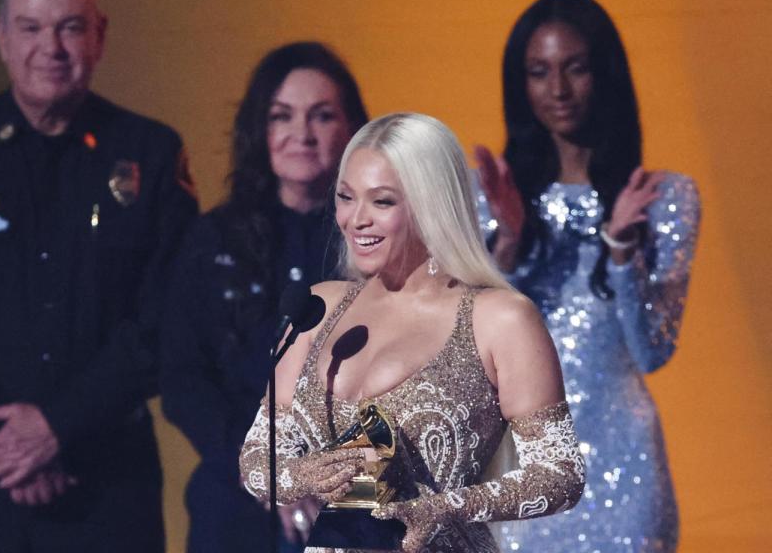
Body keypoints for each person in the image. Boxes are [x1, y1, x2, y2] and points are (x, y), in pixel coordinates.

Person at [0, 0, 198, 551]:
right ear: (1, 38)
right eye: (30, 28)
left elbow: (168, 322)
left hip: (105, 486)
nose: (50, 48)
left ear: (99, 36)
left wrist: (58, 426)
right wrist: (16, 441)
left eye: (69, 28)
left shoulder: (149, 155)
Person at [239, 113, 586, 553]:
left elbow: (560, 473)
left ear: (432, 204)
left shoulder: (500, 319)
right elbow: (257, 459)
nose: (355, 219)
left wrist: (445, 507)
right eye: (346, 197)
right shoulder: (317, 309)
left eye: (382, 202)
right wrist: (301, 476)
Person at [472, 0, 699, 552]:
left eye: (575, 68)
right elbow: (466, 351)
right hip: (525, 468)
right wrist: (510, 243)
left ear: (604, 73)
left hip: (625, 471)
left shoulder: (663, 198)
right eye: (539, 72)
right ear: (520, 83)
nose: (558, 90)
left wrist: (621, 249)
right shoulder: (492, 199)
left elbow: (652, 350)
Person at [161, 42, 369, 552]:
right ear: (260, 128)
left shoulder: (380, 240)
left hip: (357, 490)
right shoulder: (212, 240)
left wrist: (332, 480)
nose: (302, 134)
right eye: (282, 116)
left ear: (352, 131)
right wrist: (264, 468)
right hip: (236, 492)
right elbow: (183, 379)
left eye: (322, 116)